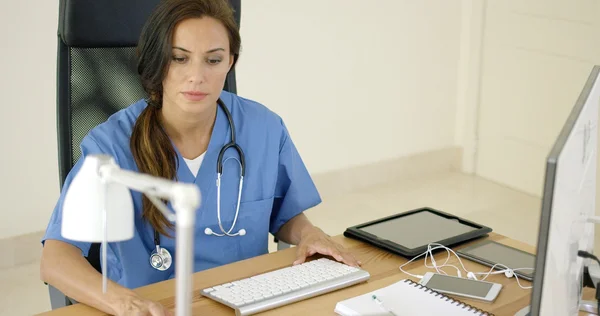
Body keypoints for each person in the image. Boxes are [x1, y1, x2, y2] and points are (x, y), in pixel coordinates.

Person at [40, 0, 360, 315]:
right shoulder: (111, 144)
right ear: (157, 62)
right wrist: (124, 303)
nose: (197, 76)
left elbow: (284, 213)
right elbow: (56, 257)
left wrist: (309, 233)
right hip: (156, 308)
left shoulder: (264, 128)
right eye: (180, 58)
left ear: (230, 63)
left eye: (213, 60)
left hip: (246, 300)